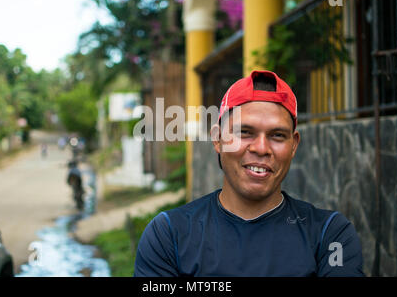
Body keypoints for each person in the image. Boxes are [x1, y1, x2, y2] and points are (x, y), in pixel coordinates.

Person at [134, 70, 365, 277]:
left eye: (277, 135)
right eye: (245, 132)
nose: (261, 148)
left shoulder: (330, 235)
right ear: (218, 138)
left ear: (294, 145)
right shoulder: (169, 235)